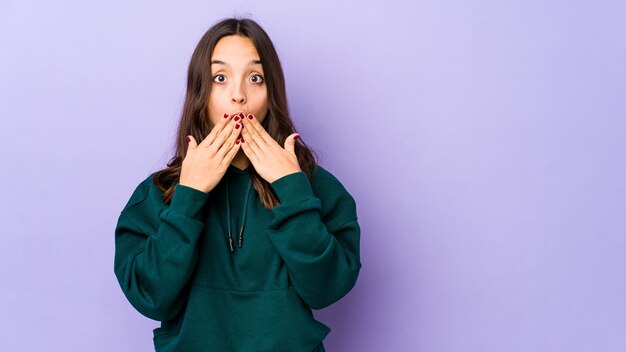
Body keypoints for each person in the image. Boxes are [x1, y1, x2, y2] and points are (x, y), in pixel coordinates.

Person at [113, 17, 361, 352]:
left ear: (271, 92)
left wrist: (292, 189)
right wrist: (188, 197)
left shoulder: (315, 188)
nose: (239, 96)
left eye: (255, 78)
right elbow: (151, 298)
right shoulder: (159, 193)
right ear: (201, 92)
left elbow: (326, 289)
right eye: (220, 78)